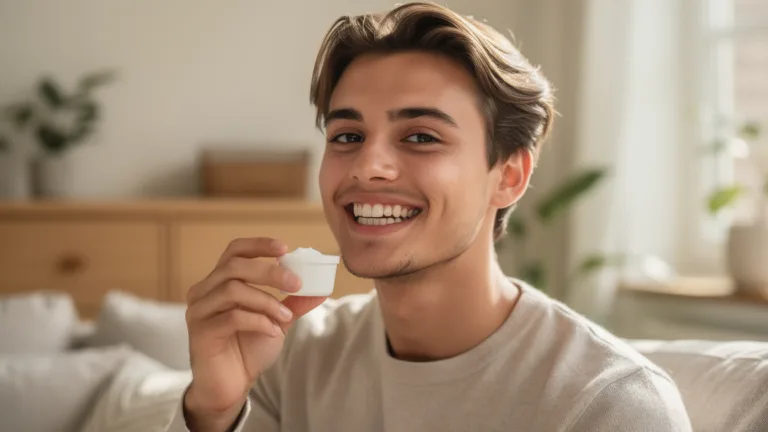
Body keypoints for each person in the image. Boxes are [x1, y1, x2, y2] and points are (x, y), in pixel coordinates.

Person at [168, 2, 692, 431]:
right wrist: (211, 412)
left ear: (509, 176)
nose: (368, 166)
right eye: (347, 136)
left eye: (421, 136)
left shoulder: (611, 406)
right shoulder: (293, 355)